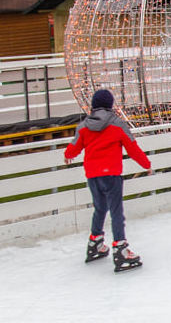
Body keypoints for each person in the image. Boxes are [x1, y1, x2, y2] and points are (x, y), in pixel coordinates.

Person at [63, 88, 153, 273]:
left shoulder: (84, 126)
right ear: (110, 105)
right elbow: (133, 149)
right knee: (116, 211)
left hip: (93, 175)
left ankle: (95, 242)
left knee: (100, 208)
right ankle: (121, 250)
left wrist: (67, 155)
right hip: (111, 175)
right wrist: (146, 165)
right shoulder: (117, 125)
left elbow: (73, 148)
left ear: (94, 106)